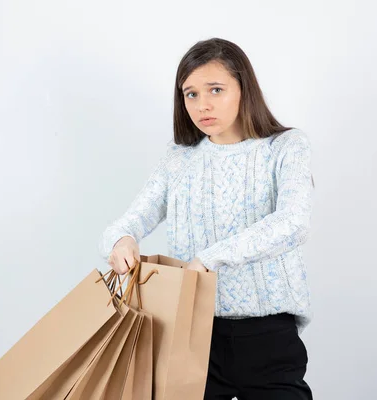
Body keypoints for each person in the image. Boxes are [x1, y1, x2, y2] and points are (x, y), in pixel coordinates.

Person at [98, 37, 314, 400]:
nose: (203, 104)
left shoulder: (286, 147)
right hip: (187, 333)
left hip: (266, 337)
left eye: (215, 89)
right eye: (191, 94)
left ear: (244, 89)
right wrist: (120, 240)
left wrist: (210, 260)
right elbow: (132, 219)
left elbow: (293, 222)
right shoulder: (179, 157)